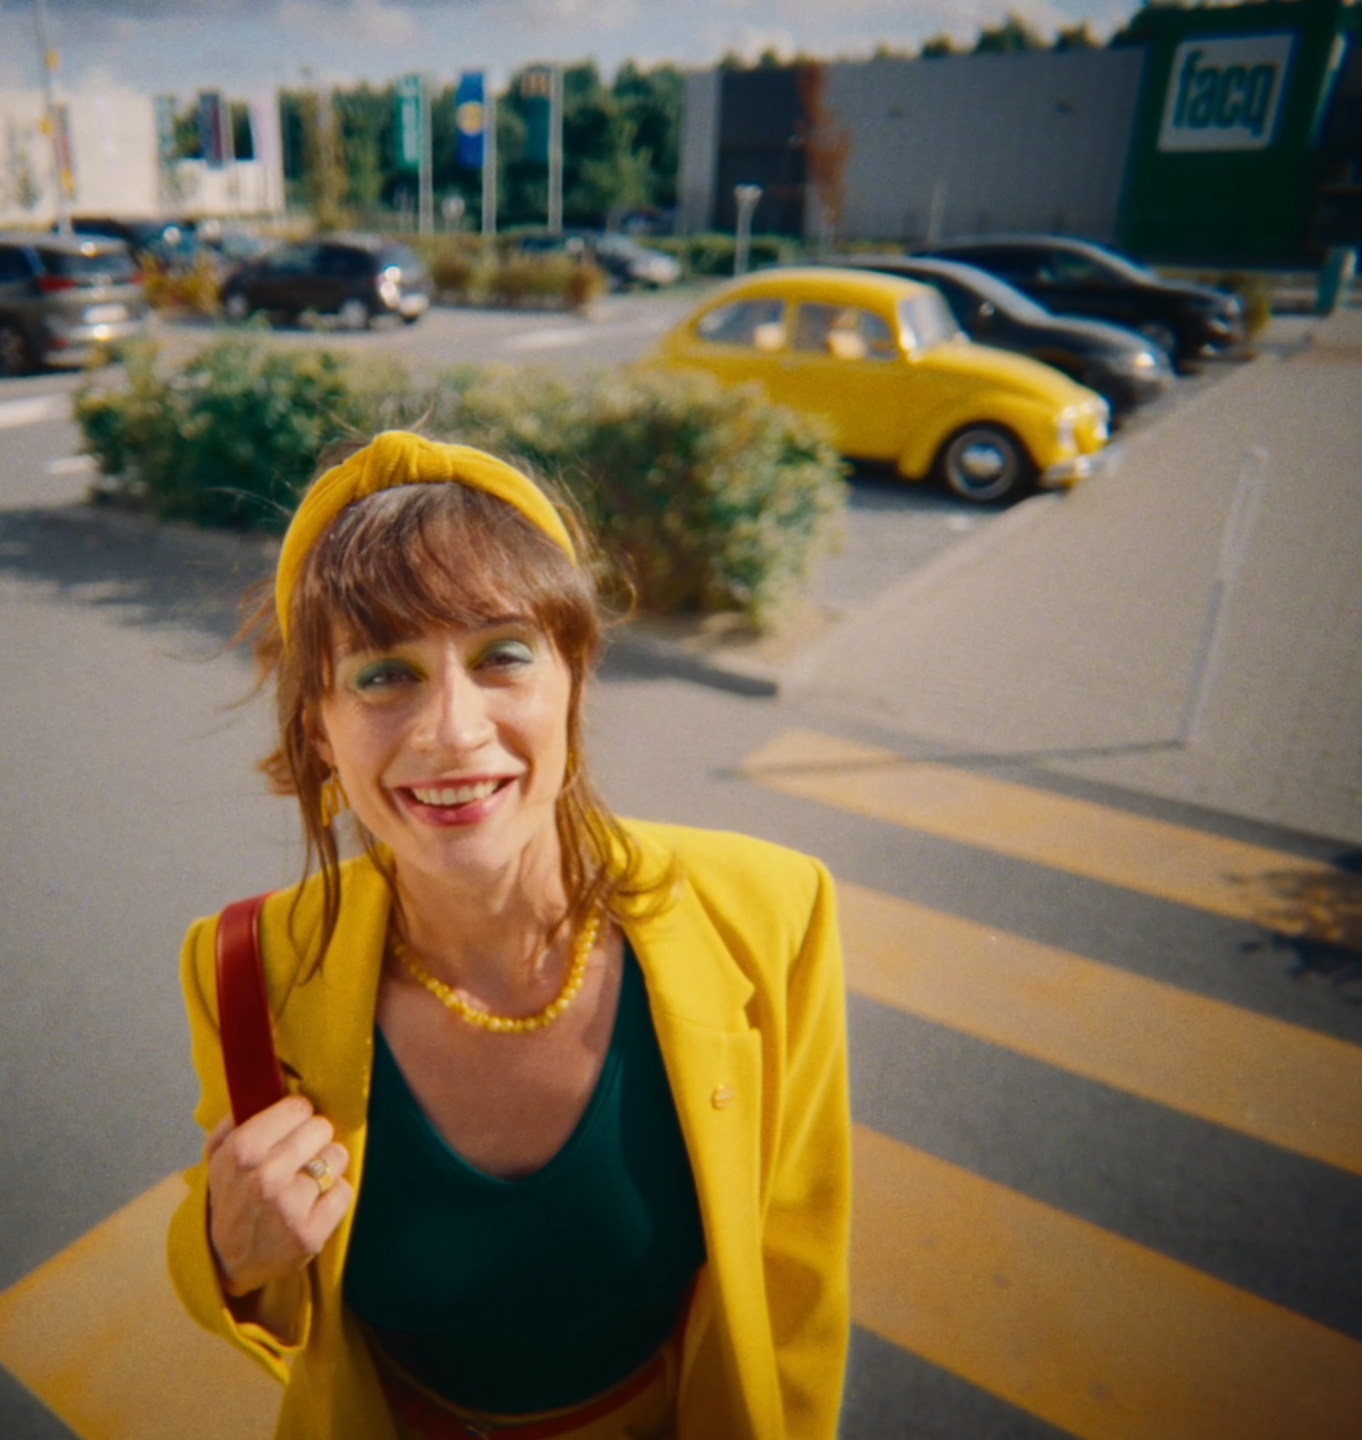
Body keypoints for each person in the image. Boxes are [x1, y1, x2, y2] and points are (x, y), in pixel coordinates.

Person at [167, 431, 851, 1439]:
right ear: (318, 728)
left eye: (503, 657)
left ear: (573, 682)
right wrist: (227, 1254)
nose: (452, 729)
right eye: (382, 676)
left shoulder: (771, 912)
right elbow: (266, 1305)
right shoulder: (244, 968)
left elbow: (798, 1286)